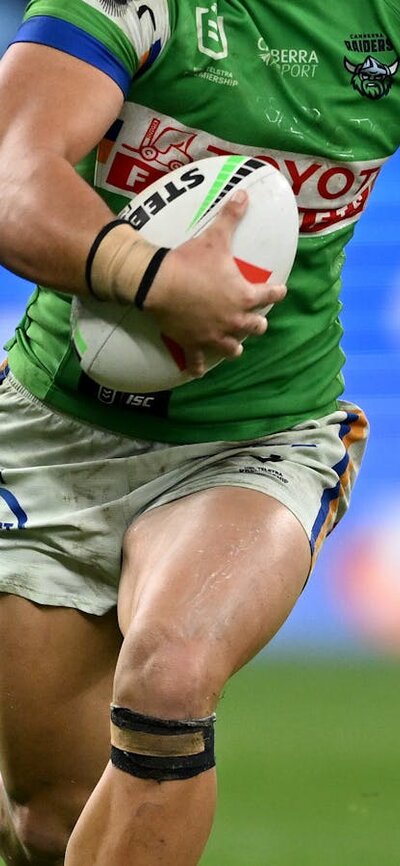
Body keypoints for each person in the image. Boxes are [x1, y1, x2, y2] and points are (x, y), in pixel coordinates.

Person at [2, 0, 395, 862]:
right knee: (48, 821)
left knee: (171, 679)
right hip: (52, 434)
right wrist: (152, 279)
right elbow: (11, 174)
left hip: (261, 440)